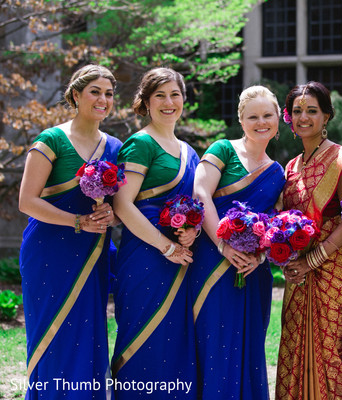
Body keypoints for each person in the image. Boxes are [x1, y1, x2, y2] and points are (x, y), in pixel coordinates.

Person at [18, 64, 120, 399]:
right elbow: (27, 201)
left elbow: (122, 207)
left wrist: (110, 214)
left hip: (92, 253)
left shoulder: (116, 148)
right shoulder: (51, 141)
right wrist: (75, 221)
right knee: (52, 333)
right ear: (76, 95)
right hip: (49, 253)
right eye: (95, 91)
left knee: (88, 332)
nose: (103, 99)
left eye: (108, 93)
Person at [275, 81, 342, 400]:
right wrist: (286, 258)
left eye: (312, 111)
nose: (304, 117)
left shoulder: (341, 161)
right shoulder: (291, 166)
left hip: (332, 270)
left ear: (327, 116)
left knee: (329, 354)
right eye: (297, 111)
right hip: (297, 275)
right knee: (294, 347)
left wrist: (312, 260)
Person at [189, 85, 285, 399]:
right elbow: (200, 194)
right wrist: (223, 245)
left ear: (278, 119)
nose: (261, 122)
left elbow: (274, 222)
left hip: (253, 270)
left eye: (267, 115)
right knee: (214, 341)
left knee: (249, 345)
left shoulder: (277, 173)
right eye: (253, 116)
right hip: (213, 260)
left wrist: (259, 257)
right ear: (241, 120)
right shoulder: (222, 150)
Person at [111, 67, 198, 399]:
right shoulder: (140, 143)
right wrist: (166, 246)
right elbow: (122, 204)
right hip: (145, 258)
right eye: (159, 95)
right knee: (142, 337)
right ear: (145, 102)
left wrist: (189, 233)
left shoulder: (189, 151)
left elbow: (192, 206)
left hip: (180, 260)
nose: (168, 102)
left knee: (174, 340)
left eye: (175, 94)